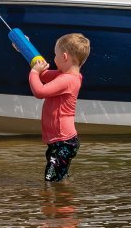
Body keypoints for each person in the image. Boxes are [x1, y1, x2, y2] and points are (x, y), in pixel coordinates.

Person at [27, 33, 90, 182]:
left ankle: (55, 197)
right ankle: (64, 194)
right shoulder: (67, 76)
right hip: (60, 142)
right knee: (58, 179)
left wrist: (34, 72)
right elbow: (43, 74)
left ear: (64, 57)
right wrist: (25, 47)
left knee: (50, 180)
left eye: (55, 55)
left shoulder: (67, 80)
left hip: (63, 142)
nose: (54, 58)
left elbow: (40, 91)